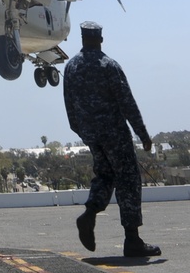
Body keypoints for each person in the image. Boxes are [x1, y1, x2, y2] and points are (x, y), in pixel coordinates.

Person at [63, 20, 159, 259]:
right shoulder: (108, 66)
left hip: (91, 134)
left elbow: (69, 106)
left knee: (105, 175)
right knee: (128, 179)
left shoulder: (71, 67)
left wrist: (83, 132)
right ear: (100, 39)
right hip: (114, 133)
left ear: (83, 39)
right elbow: (127, 102)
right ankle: (132, 240)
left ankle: (90, 213)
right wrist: (143, 134)